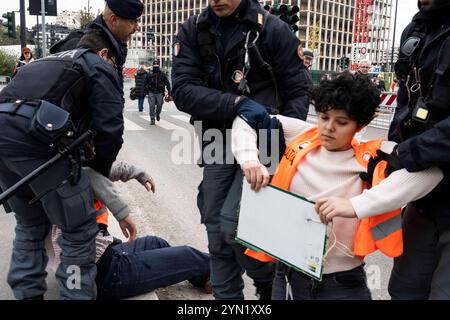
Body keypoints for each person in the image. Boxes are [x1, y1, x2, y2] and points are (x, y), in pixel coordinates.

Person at [231, 72, 443, 300]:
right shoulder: (303, 135)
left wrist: (355, 205)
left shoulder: (373, 156)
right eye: (323, 117)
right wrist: (249, 159)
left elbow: (431, 171)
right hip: (288, 276)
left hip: (341, 285)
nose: (328, 128)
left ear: (361, 124)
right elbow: (247, 119)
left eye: (341, 122)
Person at [172, 0, 310, 299]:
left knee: (234, 227)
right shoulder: (194, 29)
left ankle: (267, 280)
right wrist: (235, 104)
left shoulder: (274, 30)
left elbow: (298, 91)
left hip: (265, 142)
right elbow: (182, 90)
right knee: (215, 229)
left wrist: (284, 136)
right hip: (217, 137)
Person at [0, 29, 124, 300]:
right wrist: (94, 175)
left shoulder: (44, 62)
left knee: (29, 227)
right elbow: (110, 129)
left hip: (4, 142)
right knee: (77, 233)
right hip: (38, 145)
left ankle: (27, 295)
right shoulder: (94, 63)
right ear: (104, 54)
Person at [50, 160, 211, 300]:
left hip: (102, 255)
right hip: (102, 274)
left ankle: (205, 278)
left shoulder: (69, 166)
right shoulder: (73, 175)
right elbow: (93, 174)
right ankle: (226, 267)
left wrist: (140, 174)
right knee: (187, 255)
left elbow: (106, 169)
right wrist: (121, 213)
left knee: (156, 242)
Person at [387, 0, 450, 300]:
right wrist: (391, 153)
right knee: (404, 290)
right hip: (423, 194)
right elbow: (405, 102)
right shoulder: (415, 29)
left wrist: (410, 153)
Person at [50, 0, 143, 90]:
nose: (137, 27)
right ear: (113, 20)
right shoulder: (79, 46)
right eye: (132, 21)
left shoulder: (115, 43)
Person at [146, 60, 171, 125]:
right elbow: (145, 83)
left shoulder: (162, 74)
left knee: (159, 105)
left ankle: (157, 114)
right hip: (151, 92)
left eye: (157, 66)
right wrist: (145, 91)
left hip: (160, 92)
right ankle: (152, 119)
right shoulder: (150, 74)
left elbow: (167, 83)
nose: (155, 67)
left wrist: (169, 92)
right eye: (154, 66)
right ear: (153, 66)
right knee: (151, 106)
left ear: (159, 66)